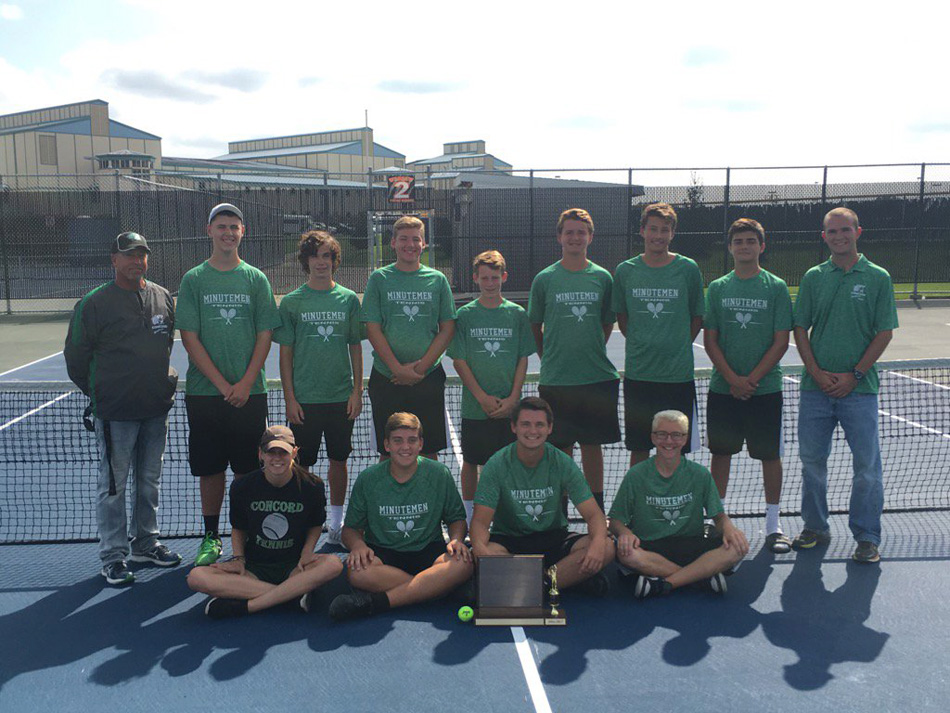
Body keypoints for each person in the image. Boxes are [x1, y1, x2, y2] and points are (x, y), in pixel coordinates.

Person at [65, 231, 181, 585]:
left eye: (142, 254)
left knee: (149, 482)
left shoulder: (162, 297)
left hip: (154, 409)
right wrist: (101, 393)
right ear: (113, 259)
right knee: (113, 487)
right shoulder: (95, 303)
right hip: (116, 413)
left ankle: (146, 542)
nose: (136, 260)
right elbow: (76, 358)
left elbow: (165, 348)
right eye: (129, 254)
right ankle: (113, 555)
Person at [176, 203, 282, 566]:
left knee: (249, 470)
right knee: (210, 470)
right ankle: (211, 537)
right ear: (209, 231)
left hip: (249, 394)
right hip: (206, 395)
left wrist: (246, 382)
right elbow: (189, 336)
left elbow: (265, 333)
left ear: (243, 232)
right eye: (221, 226)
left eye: (234, 227)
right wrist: (224, 385)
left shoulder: (256, 279)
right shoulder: (193, 279)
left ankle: (248, 534)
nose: (228, 233)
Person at [792, 207, 898, 563]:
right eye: (832, 232)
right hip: (814, 389)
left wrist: (854, 375)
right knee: (811, 463)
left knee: (867, 467)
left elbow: (884, 332)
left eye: (845, 230)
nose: (839, 236)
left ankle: (867, 537)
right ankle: (815, 527)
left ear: (858, 232)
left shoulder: (878, 277)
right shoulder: (813, 277)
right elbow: (799, 329)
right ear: (824, 237)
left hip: (860, 390)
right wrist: (818, 374)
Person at [187, 426, 343, 618]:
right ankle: (291, 595)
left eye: (283, 452)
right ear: (260, 454)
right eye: (271, 452)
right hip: (255, 567)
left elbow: (315, 524)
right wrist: (238, 559)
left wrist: (306, 552)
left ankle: (247, 606)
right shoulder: (243, 486)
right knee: (197, 577)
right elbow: (239, 528)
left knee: (334, 564)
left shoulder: (312, 486)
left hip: (295, 567)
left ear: (294, 452)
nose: (277, 458)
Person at [328, 412, 472, 621]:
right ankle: (437, 589)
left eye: (412, 440)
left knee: (463, 563)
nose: (405, 447)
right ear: (386, 445)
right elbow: (350, 529)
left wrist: (457, 538)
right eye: (398, 441)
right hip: (384, 556)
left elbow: (456, 518)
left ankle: (376, 602)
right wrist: (358, 546)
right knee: (357, 572)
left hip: (428, 552)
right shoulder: (368, 479)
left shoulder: (439, 473)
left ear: (421, 443)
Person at [703, 218, 793, 553]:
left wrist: (751, 380)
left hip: (765, 390)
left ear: (761, 246)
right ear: (730, 247)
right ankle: (716, 523)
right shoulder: (719, 287)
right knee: (721, 453)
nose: (744, 246)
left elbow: (781, 341)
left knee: (769, 455)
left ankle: (773, 526)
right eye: (738, 241)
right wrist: (732, 379)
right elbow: (711, 340)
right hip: (723, 389)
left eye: (750, 241)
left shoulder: (776, 287)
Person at [470, 397, 615, 595]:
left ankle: (538, 586)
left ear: (550, 428)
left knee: (606, 547)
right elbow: (479, 522)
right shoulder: (497, 464)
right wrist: (481, 552)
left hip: (554, 538)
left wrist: (598, 544)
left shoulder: (562, 462)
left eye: (539, 424)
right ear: (514, 427)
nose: (532, 431)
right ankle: (565, 579)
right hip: (510, 541)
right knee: (481, 554)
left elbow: (594, 515)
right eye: (525, 424)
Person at [527, 208, 619, 510]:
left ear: (590, 237)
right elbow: (534, 326)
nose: (575, 237)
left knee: (592, 447)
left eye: (581, 232)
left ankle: (597, 510)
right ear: (559, 237)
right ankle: (561, 510)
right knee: (560, 448)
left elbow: (606, 323)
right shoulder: (545, 279)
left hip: (596, 377)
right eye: (569, 232)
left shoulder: (603, 278)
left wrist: (590, 349)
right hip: (557, 379)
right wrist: (549, 356)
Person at [274, 231, 363, 545]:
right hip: (305, 400)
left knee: (339, 460)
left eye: (327, 256)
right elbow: (285, 353)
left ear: (335, 261)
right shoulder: (292, 302)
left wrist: (356, 391)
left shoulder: (349, 299)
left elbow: (355, 347)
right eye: (315, 256)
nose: (321, 262)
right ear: (305, 261)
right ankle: (305, 520)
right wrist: (290, 397)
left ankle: (336, 524)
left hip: (341, 398)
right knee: (301, 463)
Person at [609, 410, 749, 598]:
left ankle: (664, 583)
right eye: (662, 434)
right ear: (653, 437)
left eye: (676, 435)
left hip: (692, 545)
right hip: (650, 546)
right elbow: (616, 520)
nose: (669, 441)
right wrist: (625, 533)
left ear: (684, 439)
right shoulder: (636, 475)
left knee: (738, 547)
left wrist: (729, 528)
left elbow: (718, 516)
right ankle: (700, 578)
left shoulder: (700, 474)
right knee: (626, 554)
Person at [612, 203, 704, 466]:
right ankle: (638, 505)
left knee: (678, 447)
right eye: (653, 229)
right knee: (640, 447)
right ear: (642, 231)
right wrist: (644, 342)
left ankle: (680, 501)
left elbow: (697, 315)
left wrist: (676, 343)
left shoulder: (688, 269)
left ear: (672, 233)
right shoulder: (626, 271)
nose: (658, 235)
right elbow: (623, 317)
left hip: (678, 376)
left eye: (665, 230)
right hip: (640, 375)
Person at [448, 250, 534, 525]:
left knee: (508, 462)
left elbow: (523, 358)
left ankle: (506, 513)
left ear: (504, 277)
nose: (489, 283)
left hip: (509, 408)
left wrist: (512, 399)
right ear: (475, 278)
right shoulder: (465, 315)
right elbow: (459, 360)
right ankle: (471, 515)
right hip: (476, 407)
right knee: (471, 462)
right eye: (484, 277)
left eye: (494, 277)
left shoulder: (517, 314)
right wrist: (482, 397)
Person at [361, 216, 455, 461]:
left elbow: (447, 328)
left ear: (424, 244)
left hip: (428, 378)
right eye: (403, 239)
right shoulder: (379, 279)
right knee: (388, 450)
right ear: (392, 242)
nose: (409, 244)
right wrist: (397, 370)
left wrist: (420, 369)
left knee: (428, 448)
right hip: (386, 378)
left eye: (416, 239)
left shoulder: (437, 280)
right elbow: (373, 328)